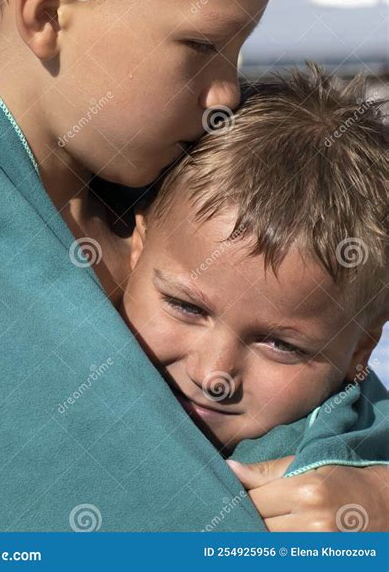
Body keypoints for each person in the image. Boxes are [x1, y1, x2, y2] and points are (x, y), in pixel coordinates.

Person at [0, 0, 386, 532]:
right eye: (201, 46)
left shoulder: (210, 190)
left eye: (238, 51)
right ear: (47, 10)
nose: (228, 93)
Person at [118, 67, 388, 530]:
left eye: (282, 345)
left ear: (360, 349)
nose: (214, 374)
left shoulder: (330, 481)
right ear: (135, 250)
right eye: (187, 307)